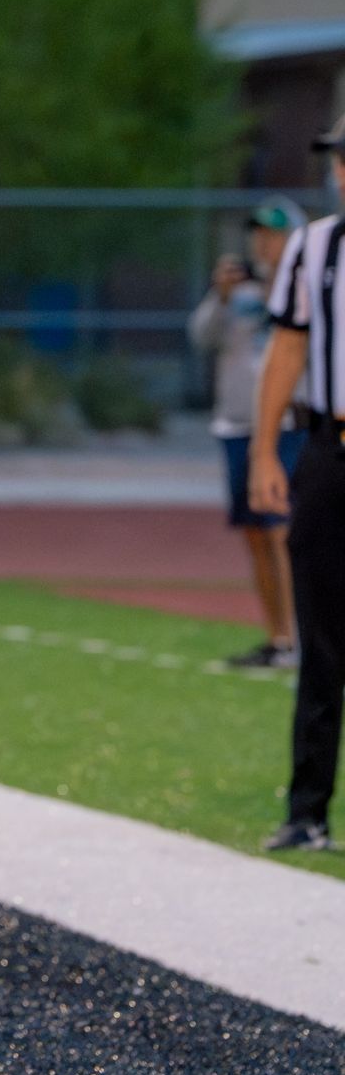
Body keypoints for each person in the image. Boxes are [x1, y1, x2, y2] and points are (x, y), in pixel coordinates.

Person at [252, 120, 345, 851]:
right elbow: (286, 349)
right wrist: (263, 452)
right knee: (322, 635)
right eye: (339, 159)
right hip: (331, 444)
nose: (341, 172)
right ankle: (307, 809)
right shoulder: (316, 248)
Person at [189, 200, 304, 670]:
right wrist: (219, 296)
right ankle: (277, 639)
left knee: (282, 533)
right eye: (258, 233)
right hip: (236, 425)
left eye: (274, 234)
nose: (263, 242)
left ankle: (300, 639)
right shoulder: (235, 292)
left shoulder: (302, 287)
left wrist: (282, 283)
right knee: (256, 535)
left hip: (287, 427)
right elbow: (201, 338)